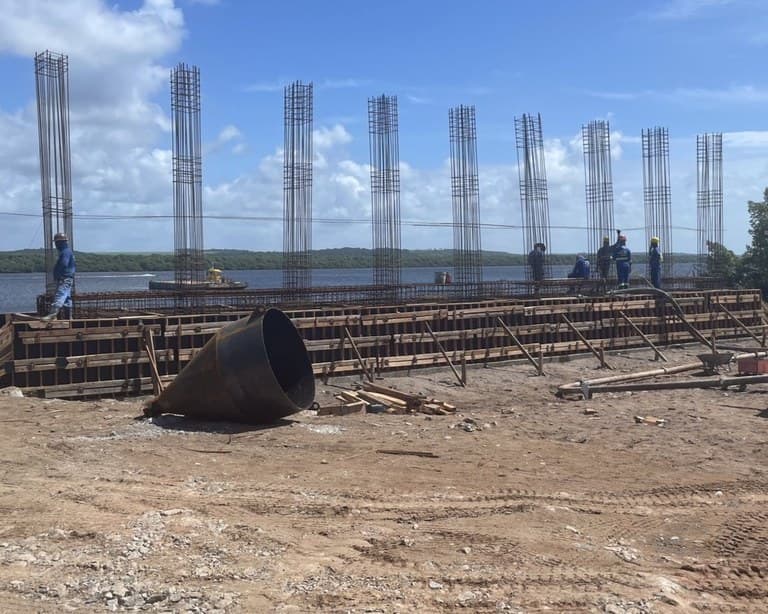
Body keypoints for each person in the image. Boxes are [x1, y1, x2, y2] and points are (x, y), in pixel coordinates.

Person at [42, 232, 75, 321]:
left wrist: (58, 274)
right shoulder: (67, 252)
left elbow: (63, 263)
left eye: (56, 243)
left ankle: (52, 315)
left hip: (64, 278)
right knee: (66, 298)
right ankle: (69, 318)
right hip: (67, 278)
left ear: (60, 243)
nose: (56, 245)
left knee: (60, 295)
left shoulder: (65, 252)